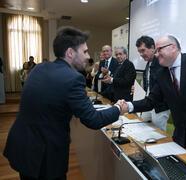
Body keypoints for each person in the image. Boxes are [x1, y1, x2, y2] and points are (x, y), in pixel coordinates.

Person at [3, 26, 127, 180]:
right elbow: (93, 120)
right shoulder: (73, 78)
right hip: (45, 156)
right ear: (70, 53)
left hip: (22, 147)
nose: (88, 57)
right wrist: (118, 108)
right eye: (85, 51)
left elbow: (51, 102)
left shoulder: (39, 68)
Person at [135, 36, 170, 132]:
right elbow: (149, 84)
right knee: (143, 128)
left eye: (143, 50)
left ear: (152, 48)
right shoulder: (148, 63)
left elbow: (162, 87)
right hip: (149, 103)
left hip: (160, 106)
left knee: (159, 133)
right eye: (139, 52)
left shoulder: (161, 63)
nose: (141, 54)